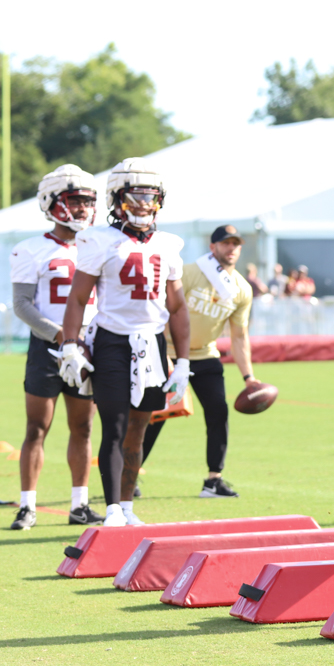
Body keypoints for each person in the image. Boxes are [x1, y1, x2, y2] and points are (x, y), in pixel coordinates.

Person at [59, 158, 191, 526]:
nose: (144, 205)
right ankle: (113, 508)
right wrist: (71, 342)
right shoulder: (99, 240)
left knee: (139, 427)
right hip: (113, 342)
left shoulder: (168, 244)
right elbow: (77, 298)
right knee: (114, 426)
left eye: (151, 197)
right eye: (136, 196)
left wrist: (183, 361)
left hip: (152, 345)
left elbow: (177, 307)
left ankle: (127, 507)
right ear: (117, 199)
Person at [7, 165, 103, 530]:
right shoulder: (30, 249)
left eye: (87, 202)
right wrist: (61, 335)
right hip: (48, 349)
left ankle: (79, 504)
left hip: (88, 349)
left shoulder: (98, 246)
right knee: (36, 428)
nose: (82, 209)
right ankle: (27, 506)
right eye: (74, 200)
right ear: (51, 202)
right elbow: (22, 304)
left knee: (83, 428)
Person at [140, 225, 256, 498]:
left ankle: (213, 480)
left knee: (218, 412)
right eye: (225, 243)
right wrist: (165, 356)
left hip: (205, 355)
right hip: (169, 353)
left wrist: (249, 377)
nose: (231, 248)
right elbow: (167, 313)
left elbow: (239, 337)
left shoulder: (241, 288)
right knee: (154, 416)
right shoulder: (190, 272)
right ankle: (129, 473)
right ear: (212, 246)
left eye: (236, 244)